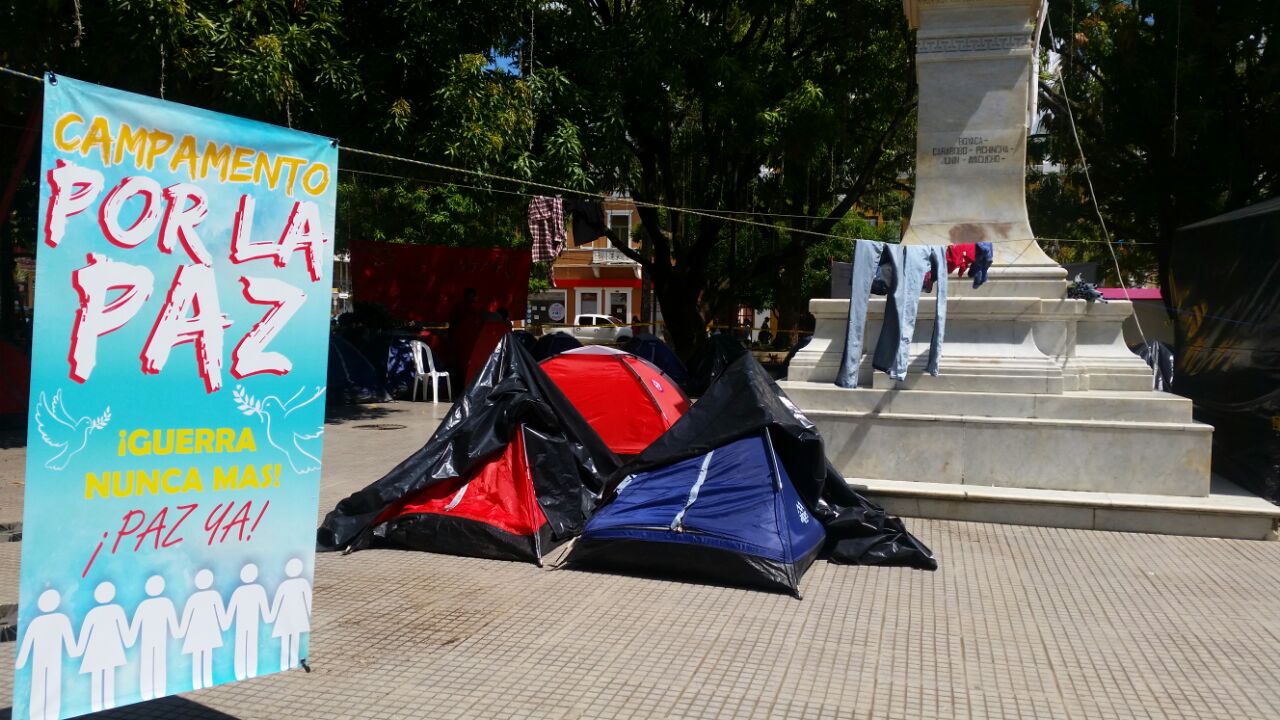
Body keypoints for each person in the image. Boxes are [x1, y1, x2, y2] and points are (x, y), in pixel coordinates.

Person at [15, 589, 77, 720]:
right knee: (53, 687)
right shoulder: (62, 619)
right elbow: (69, 641)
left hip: (40, 659)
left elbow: (26, 644)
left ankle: (36, 715)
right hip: (54, 659)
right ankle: (51, 715)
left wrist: (20, 662)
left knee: (38, 688)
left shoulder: (36, 622)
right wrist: (74, 653)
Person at [76, 582, 134, 712]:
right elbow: (124, 630)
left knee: (100, 677)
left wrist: (78, 650)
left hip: (99, 649)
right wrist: (129, 641)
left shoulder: (94, 612)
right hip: (108, 649)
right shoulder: (115, 610)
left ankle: (99, 706)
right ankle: (106, 704)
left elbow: (84, 633)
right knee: (108, 676)